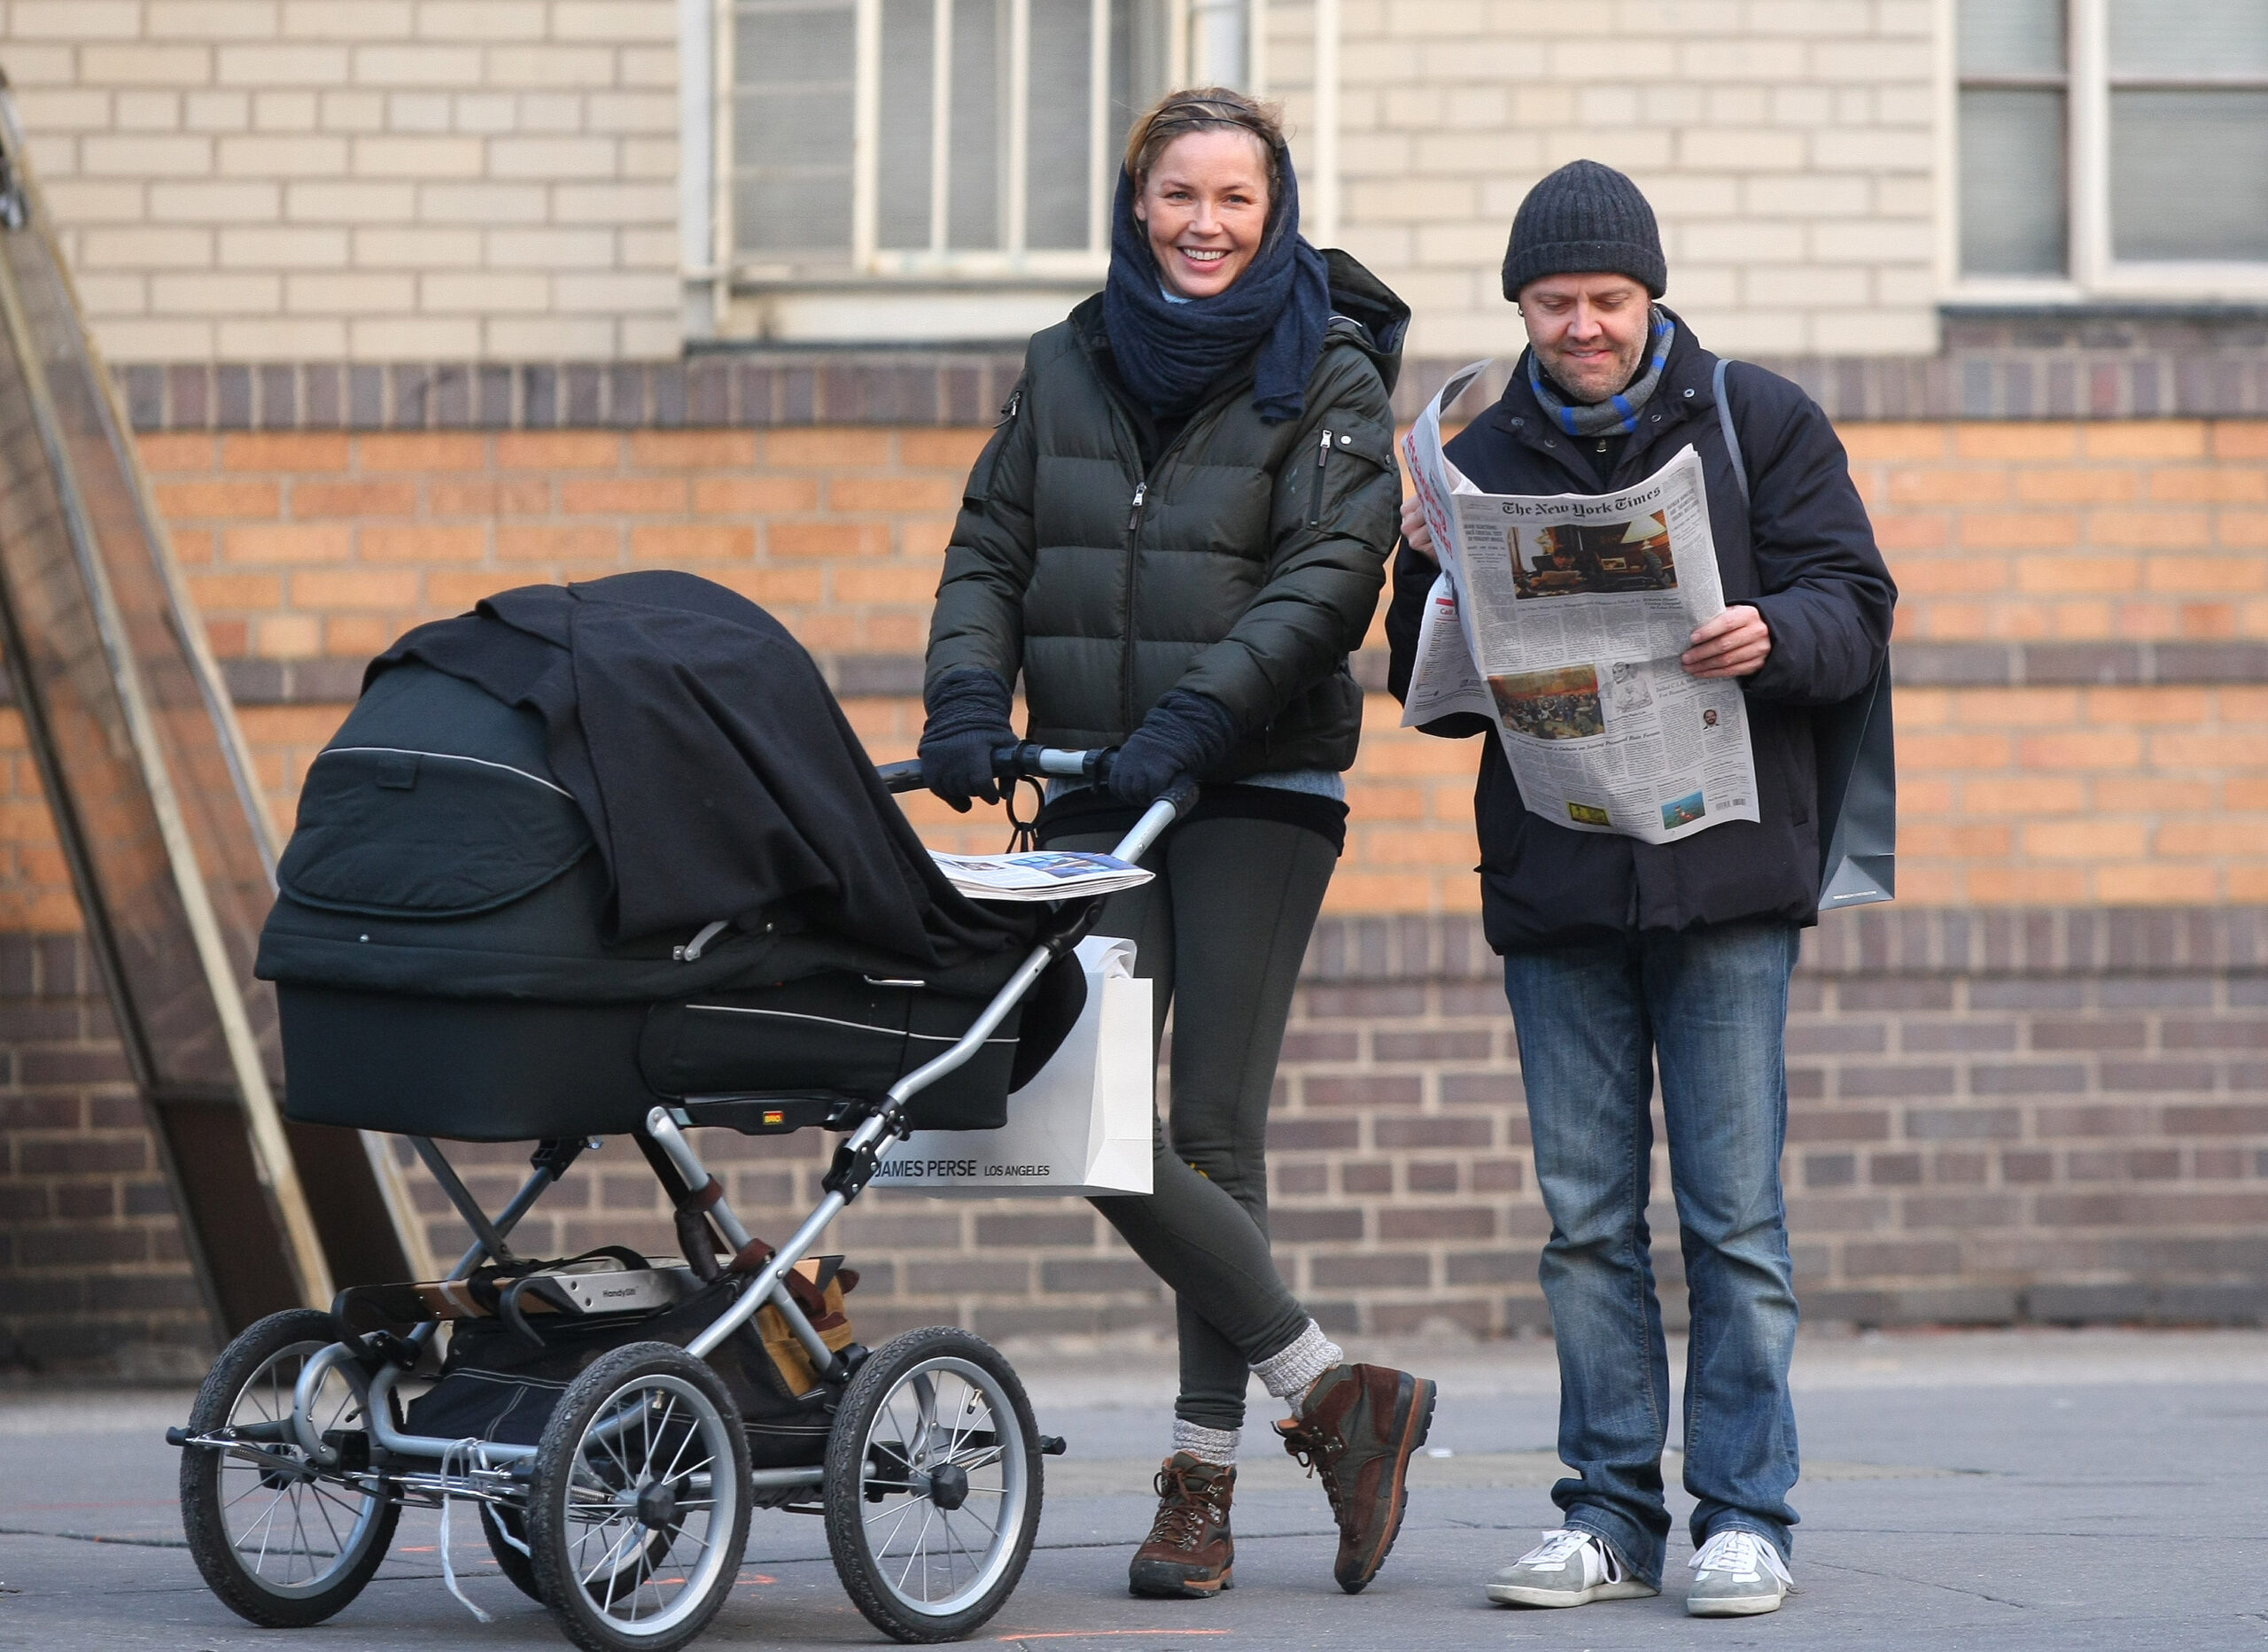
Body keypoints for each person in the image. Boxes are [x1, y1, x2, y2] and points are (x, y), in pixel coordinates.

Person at [919, 88, 1434, 1601]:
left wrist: (1201, 717)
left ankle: (1199, 1488)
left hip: (1256, 784)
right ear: (1137, 201)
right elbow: (991, 546)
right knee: (1070, 1098)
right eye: (1179, 194)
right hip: (1097, 781)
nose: (1204, 224)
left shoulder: (1327, 368)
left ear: (1275, 214)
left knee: (1211, 1126)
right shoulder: (1066, 358)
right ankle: (1334, 1391)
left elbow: (1330, 576)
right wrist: (967, 694)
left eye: (1235, 199)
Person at [1386, 159, 1895, 1618]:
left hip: (1725, 880)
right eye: (1555, 303)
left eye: (1607, 298)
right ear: (1521, 308)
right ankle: (1607, 1512)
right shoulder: (1476, 455)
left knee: (1733, 1221)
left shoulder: (1755, 419)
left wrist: (1769, 633)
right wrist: (1421, 572)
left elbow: (1857, 608)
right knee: (1585, 1226)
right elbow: (1427, 688)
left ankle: (1745, 1513)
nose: (1584, 327)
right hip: (1560, 883)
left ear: (1651, 294)